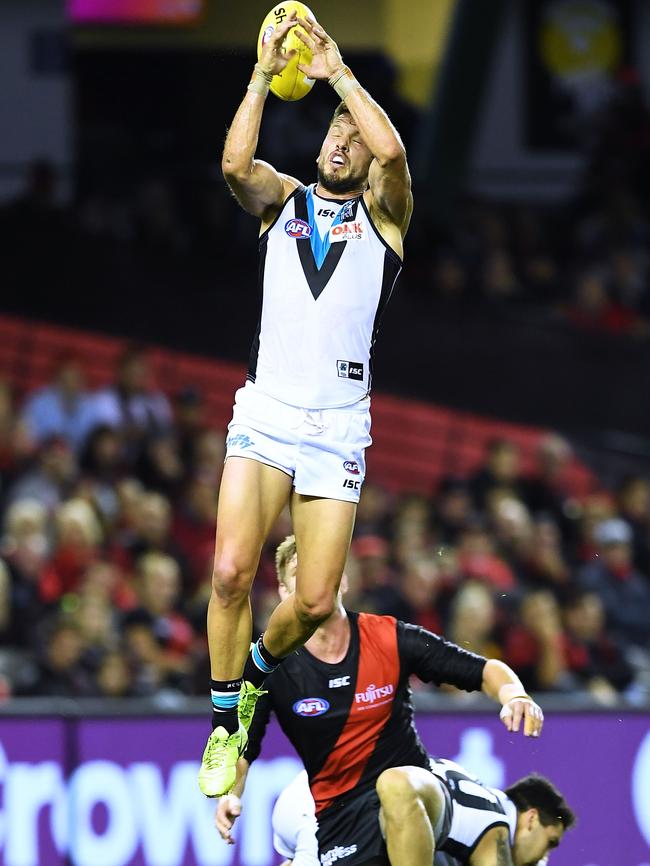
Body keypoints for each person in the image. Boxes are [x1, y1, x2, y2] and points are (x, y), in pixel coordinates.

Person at [200, 10, 413, 796]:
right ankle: (227, 723)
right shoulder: (282, 203)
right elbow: (233, 164)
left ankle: (257, 667)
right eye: (335, 131)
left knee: (316, 599)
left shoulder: (385, 219)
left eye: (353, 137)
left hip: (336, 428)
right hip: (267, 413)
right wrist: (261, 74)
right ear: (319, 137)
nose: (344, 142)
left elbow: (390, 149)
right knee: (228, 572)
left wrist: (338, 71)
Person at [215, 535, 545, 866]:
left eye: (320, 569)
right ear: (284, 593)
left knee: (396, 784)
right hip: (340, 821)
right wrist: (231, 794)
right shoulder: (268, 667)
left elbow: (483, 670)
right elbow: (243, 745)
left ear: (340, 580)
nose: (312, 580)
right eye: (300, 572)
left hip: (420, 794)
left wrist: (513, 694)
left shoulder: (389, 637)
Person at [261, 765, 574, 866]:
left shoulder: (467, 782)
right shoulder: (497, 831)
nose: (543, 858)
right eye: (551, 842)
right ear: (531, 818)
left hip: (307, 791)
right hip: (331, 813)